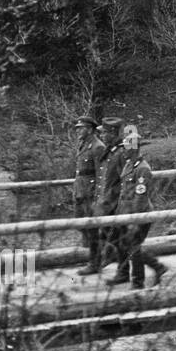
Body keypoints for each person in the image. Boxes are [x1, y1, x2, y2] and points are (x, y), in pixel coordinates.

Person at [108, 128, 167, 289]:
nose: (123, 151)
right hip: (124, 213)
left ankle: (140, 280)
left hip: (138, 214)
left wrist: (135, 220)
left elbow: (140, 198)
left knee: (133, 247)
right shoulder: (129, 165)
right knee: (123, 244)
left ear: (133, 148)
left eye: (125, 147)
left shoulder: (142, 169)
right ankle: (128, 274)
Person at [90, 117, 127, 273]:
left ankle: (124, 271)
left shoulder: (120, 153)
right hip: (106, 203)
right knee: (114, 238)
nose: (102, 136)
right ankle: (120, 268)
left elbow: (124, 181)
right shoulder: (111, 151)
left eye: (104, 133)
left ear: (112, 133)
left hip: (115, 204)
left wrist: (118, 204)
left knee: (120, 240)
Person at [73, 115, 106, 276]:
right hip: (81, 191)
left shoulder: (98, 147)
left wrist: (98, 197)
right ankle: (102, 255)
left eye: (81, 128)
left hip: (91, 194)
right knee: (81, 224)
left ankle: (95, 262)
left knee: (92, 229)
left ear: (90, 129)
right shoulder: (83, 144)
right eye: (78, 128)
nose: (78, 130)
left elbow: (101, 174)